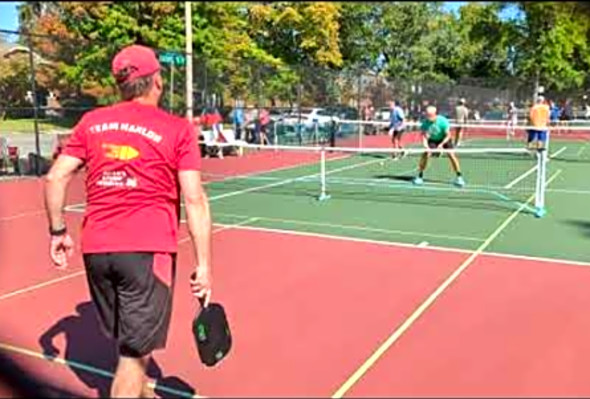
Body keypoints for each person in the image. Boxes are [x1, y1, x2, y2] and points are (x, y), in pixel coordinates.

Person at [44, 44, 213, 398]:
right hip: (147, 250)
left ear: (121, 85)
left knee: (130, 343)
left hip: (98, 251)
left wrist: (58, 231)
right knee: (135, 357)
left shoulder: (92, 122)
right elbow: (194, 198)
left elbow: (55, 178)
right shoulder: (177, 129)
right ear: (158, 82)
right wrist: (204, 265)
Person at [413, 105, 465, 187]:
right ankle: (419, 176)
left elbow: (448, 135)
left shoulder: (443, 121)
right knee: (426, 155)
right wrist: (426, 146)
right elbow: (424, 136)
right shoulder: (425, 123)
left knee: (451, 155)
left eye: (430, 115)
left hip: (444, 139)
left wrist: (441, 145)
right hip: (433, 139)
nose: (428, 117)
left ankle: (459, 177)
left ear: (435, 114)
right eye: (427, 115)